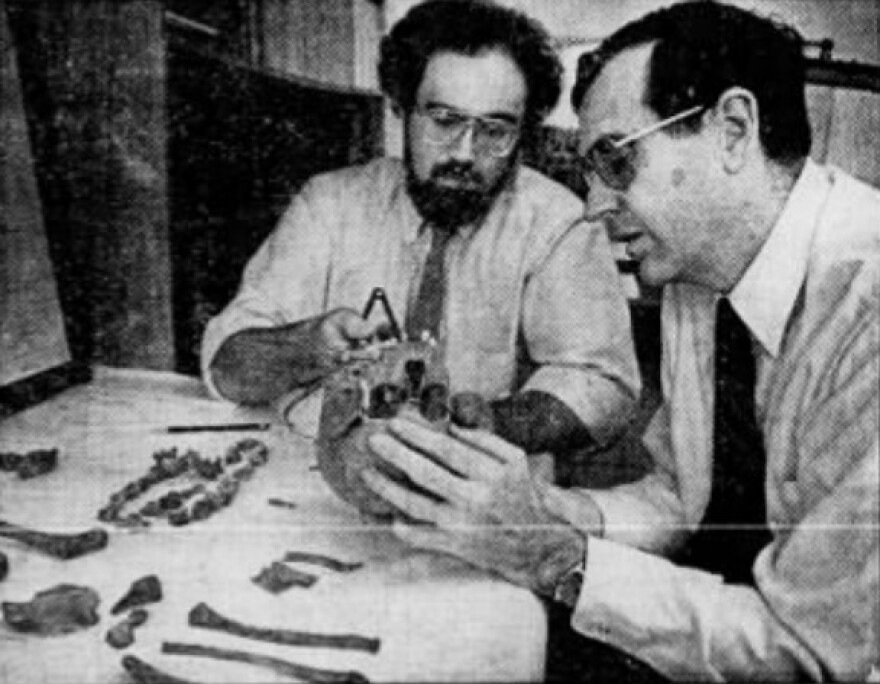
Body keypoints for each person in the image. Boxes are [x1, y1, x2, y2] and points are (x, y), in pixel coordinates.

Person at [362, 1, 880, 681]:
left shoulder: (867, 309)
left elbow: (815, 655)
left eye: (615, 159)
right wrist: (539, 510)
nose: (593, 206)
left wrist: (556, 555)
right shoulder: (699, 273)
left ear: (732, 129)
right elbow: (679, 497)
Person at [201, 0, 639, 459]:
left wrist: (493, 425)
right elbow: (226, 368)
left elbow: (601, 384)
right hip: (313, 467)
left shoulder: (558, 224)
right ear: (401, 109)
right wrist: (304, 345)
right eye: (444, 121)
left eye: (495, 130)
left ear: (522, 133)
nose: (465, 154)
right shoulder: (329, 204)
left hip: (472, 477)